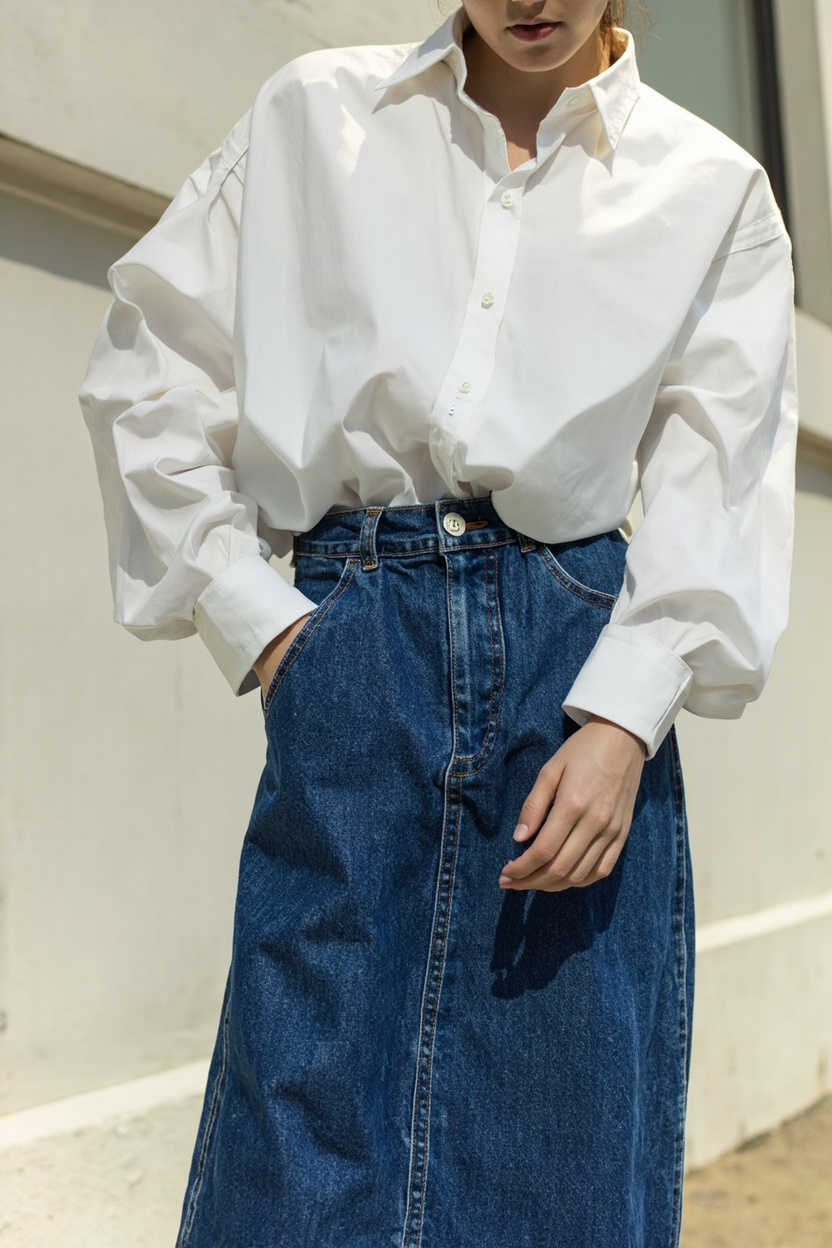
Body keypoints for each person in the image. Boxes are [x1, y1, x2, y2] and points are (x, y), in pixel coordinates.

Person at [79, 1, 797, 1245]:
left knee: (560, 1130)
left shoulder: (711, 189)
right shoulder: (316, 116)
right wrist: (261, 617)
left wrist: (627, 719)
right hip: (354, 630)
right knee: (305, 1121)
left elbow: (715, 481)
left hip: (575, 672)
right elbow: (152, 371)